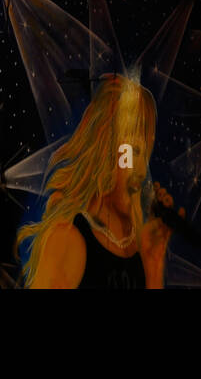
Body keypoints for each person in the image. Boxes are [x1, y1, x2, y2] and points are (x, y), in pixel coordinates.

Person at [18, 74, 176, 289]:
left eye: (144, 154)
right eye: (133, 152)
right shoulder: (68, 240)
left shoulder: (139, 244)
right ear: (106, 152)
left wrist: (154, 265)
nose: (141, 171)